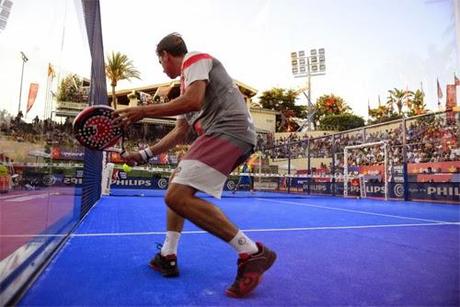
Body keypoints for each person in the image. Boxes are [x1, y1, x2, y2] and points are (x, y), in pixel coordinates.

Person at [115, 33, 276, 298]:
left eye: (160, 62)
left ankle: (252, 252)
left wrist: (143, 111)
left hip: (228, 130)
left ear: (166, 56)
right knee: (175, 187)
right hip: (224, 133)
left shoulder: (195, 60)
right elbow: (180, 131)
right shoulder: (189, 82)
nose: (162, 67)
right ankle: (168, 253)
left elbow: (194, 101)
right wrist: (144, 154)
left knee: (177, 196)